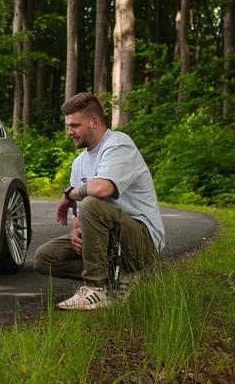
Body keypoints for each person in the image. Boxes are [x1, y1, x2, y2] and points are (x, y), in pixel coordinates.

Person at [34, 92, 165, 311]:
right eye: (67, 126)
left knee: (92, 203)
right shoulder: (79, 163)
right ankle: (120, 277)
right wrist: (76, 231)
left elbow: (103, 189)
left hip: (142, 242)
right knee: (45, 258)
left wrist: (68, 194)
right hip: (108, 242)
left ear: (94, 121)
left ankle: (96, 288)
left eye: (75, 125)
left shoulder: (119, 145)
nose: (69, 132)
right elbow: (80, 215)